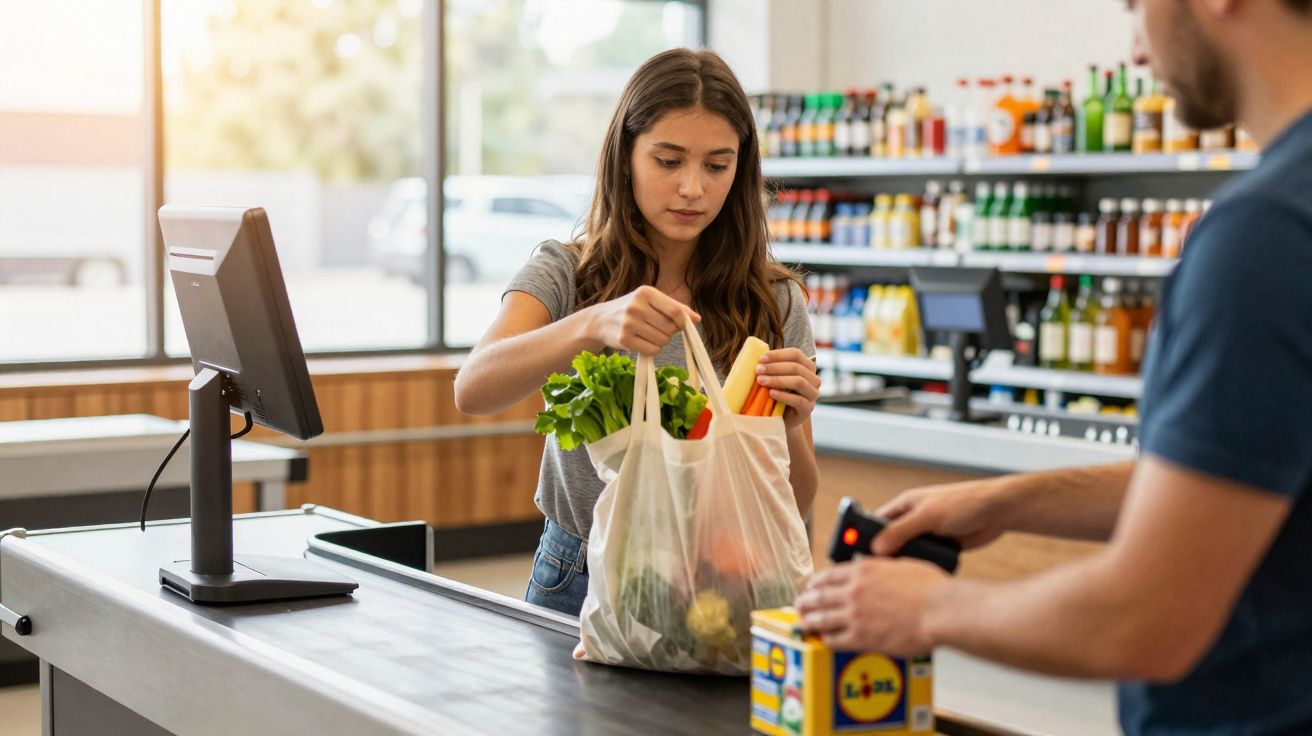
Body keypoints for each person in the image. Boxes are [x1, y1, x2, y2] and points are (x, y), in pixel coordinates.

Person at [797, 0, 1312, 733]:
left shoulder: (1263, 236)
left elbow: (1144, 618)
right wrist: (1007, 501)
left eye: (1135, 6)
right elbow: (1235, 475)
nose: (1136, 51)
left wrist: (929, 607)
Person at [455, 48, 820, 618]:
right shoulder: (565, 272)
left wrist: (790, 426)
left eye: (717, 166)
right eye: (668, 161)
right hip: (580, 572)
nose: (692, 188)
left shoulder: (774, 300)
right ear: (625, 158)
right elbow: (473, 389)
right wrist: (591, 323)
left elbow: (796, 501)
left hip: (721, 576)